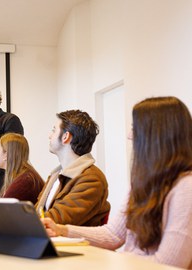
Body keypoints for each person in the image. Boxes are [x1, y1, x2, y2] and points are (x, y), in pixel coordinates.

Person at [42, 96, 192, 269]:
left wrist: (116, 261)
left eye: (135, 128)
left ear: (156, 135)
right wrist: (61, 230)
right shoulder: (142, 182)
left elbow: (169, 264)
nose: (129, 135)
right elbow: (113, 234)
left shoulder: (186, 188)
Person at [36, 110, 110, 226]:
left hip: (69, 243)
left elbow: (58, 219)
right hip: (48, 239)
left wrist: (23, 223)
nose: (49, 135)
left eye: (54, 130)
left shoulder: (92, 179)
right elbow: (38, 211)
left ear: (65, 137)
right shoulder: (56, 175)